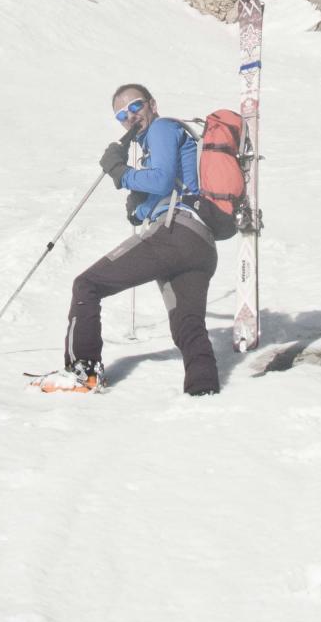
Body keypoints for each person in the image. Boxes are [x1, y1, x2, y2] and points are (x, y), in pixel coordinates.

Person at [62, 83, 220, 396]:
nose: (130, 117)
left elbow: (160, 178)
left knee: (87, 285)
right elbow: (172, 187)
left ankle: (83, 373)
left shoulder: (162, 128)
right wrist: (140, 207)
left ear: (151, 104)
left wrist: (121, 172)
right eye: (122, 115)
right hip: (199, 242)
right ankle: (204, 391)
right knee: (188, 324)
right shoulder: (167, 138)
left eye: (135, 107)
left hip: (175, 233)